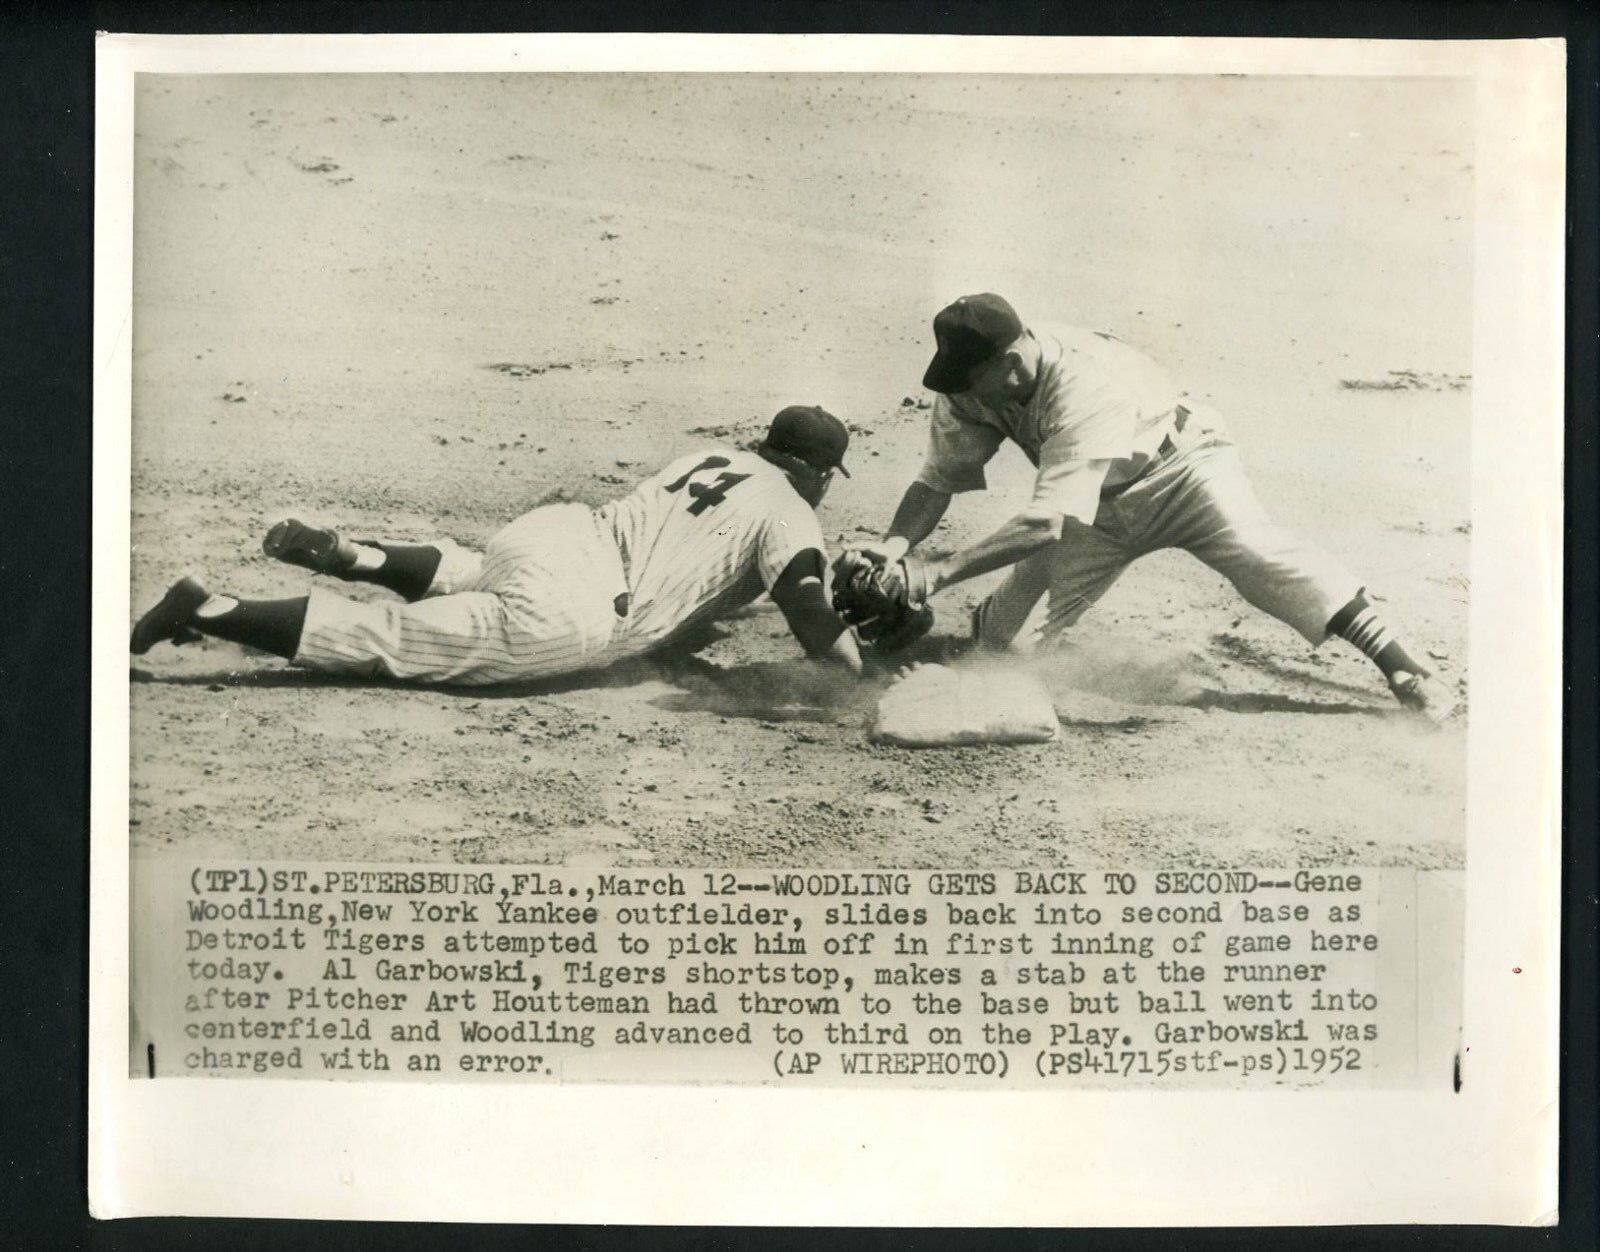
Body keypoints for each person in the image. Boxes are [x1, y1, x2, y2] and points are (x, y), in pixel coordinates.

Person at [848, 293, 1457, 723]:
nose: (958, 392)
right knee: (1010, 649)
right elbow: (938, 479)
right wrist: (896, 546)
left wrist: (935, 573)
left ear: (1010, 364)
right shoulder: (972, 388)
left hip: (1185, 471)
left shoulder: (1083, 385)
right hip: (1095, 506)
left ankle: (1408, 670)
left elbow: (1047, 521)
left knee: (1259, 554)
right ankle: (974, 630)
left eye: (968, 379)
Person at [131, 405, 864, 684]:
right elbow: (804, 600)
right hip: (570, 610)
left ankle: (357, 555)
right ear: (815, 471)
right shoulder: (790, 511)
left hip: (555, 534)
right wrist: (850, 672)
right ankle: (211, 609)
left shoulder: (708, 458)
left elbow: (696, 572)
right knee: (398, 641)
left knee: (479, 576)